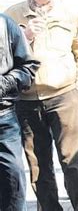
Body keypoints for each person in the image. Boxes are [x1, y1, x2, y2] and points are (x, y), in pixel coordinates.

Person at [5, 0, 78, 210]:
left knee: (73, 161)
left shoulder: (71, 14)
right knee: (38, 166)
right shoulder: (12, 15)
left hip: (64, 96)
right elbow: (4, 57)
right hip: (26, 100)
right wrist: (26, 37)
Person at [0, 13, 40, 210]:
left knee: (12, 186)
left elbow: (28, 67)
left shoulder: (5, 24)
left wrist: (2, 84)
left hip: (3, 121)